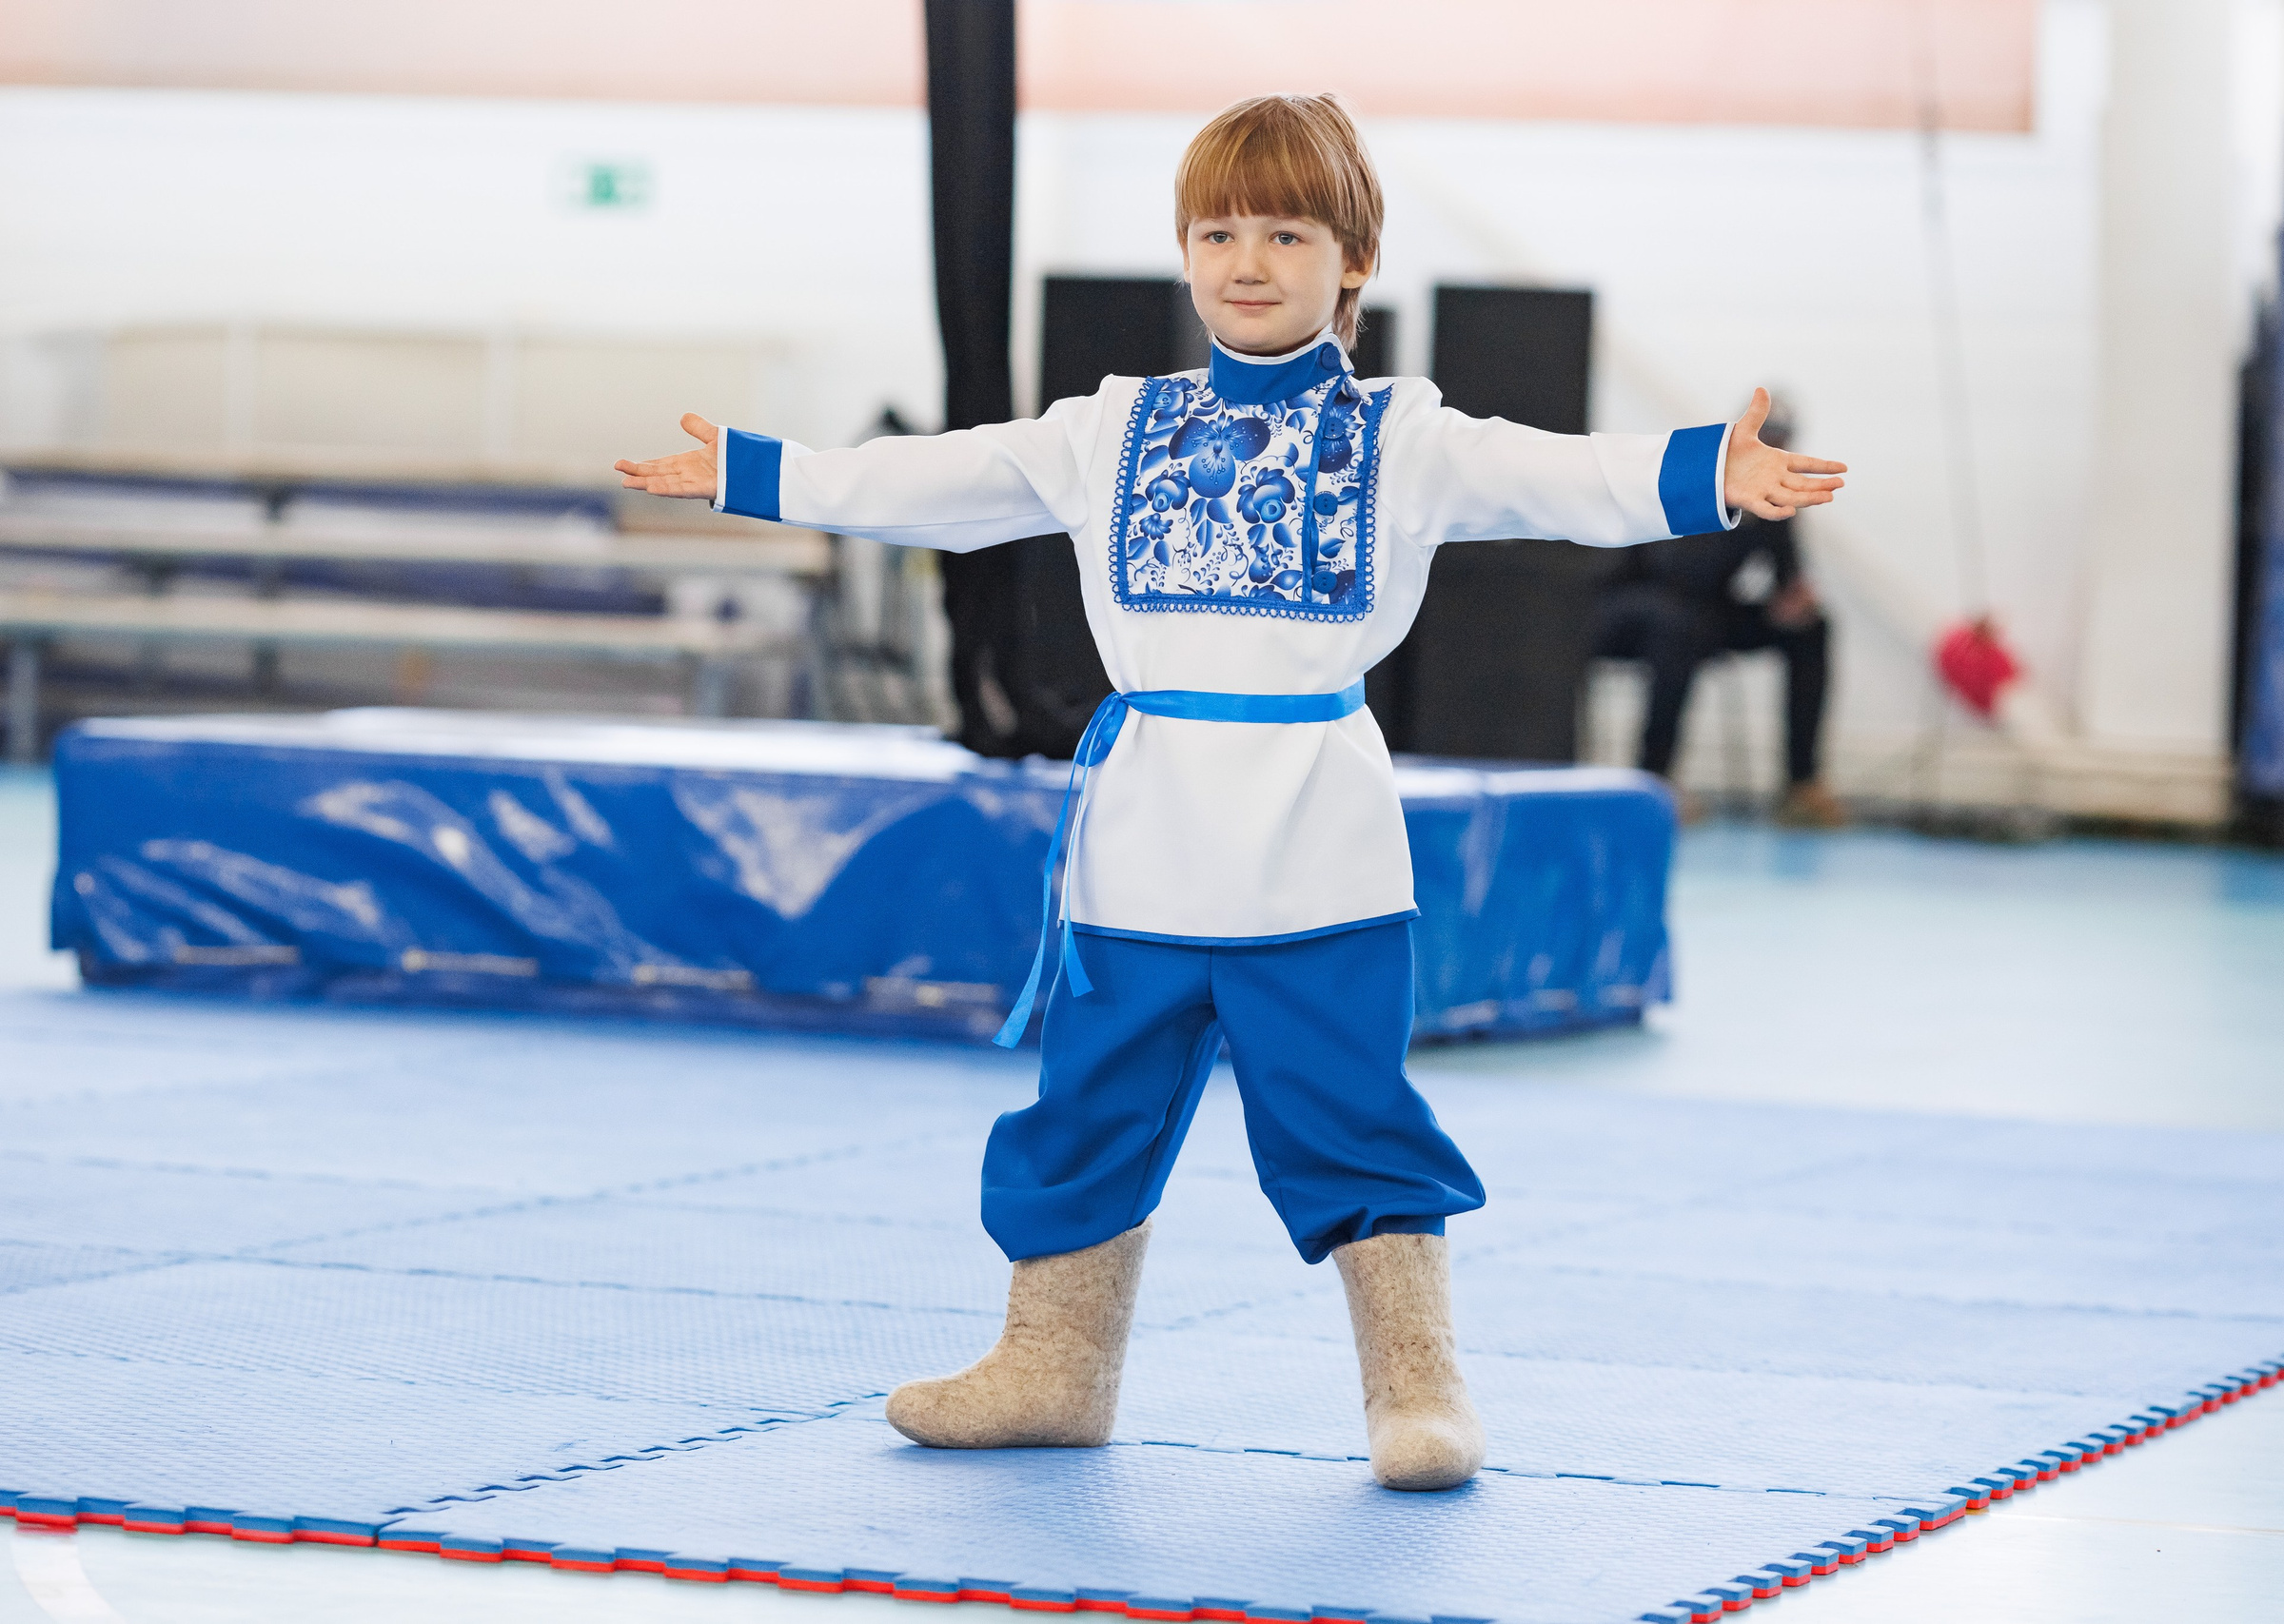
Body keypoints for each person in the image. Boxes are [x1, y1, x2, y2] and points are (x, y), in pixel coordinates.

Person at [616, 94, 1844, 1492]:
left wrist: (1711, 476)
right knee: (1086, 1104)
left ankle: (1417, 1385)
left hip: (1316, 847)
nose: (1246, 259)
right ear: (1184, 251)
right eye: (1216, 230)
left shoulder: (1406, 436)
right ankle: (1051, 1368)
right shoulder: (1112, 426)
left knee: (1347, 1110)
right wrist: (761, 473)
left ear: (1351, 261)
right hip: (1137, 845)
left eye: (1285, 230)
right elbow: (948, 476)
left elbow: (1557, 473)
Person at [1591, 395, 1846, 827]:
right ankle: (1653, 781)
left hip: (1706, 610)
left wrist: (1793, 600)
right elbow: (1676, 569)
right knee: (1678, 623)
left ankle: (1802, 783)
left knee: (1811, 627)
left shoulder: (1775, 500)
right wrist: (1741, 508)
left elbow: (1787, 579)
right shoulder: (1696, 475)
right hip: (1635, 605)